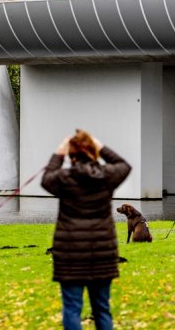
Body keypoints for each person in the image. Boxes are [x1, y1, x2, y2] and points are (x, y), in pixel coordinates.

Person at [42, 129, 131, 330]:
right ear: (93, 152)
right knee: (102, 309)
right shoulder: (106, 176)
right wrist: (101, 148)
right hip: (102, 253)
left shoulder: (64, 178)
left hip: (70, 254)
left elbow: (46, 179)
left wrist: (59, 153)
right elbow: (124, 166)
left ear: (71, 154)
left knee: (72, 308)